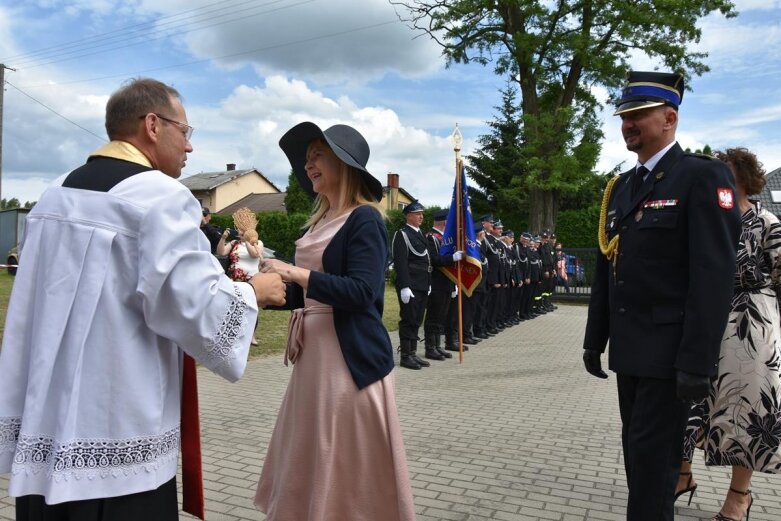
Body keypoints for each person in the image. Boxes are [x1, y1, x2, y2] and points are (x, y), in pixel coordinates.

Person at [0, 78, 286, 521]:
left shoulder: (55, 194)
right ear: (152, 125)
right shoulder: (160, 197)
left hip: (48, 428)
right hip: (116, 440)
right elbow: (194, 308)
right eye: (186, 132)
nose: (189, 148)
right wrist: (253, 292)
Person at [582, 70, 741, 521]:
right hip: (631, 354)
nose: (627, 125)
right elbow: (607, 267)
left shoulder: (701, 177)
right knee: (641, 464)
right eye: (624, 116)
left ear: (669, 118)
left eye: (638, 115)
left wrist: (697, 361)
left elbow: (713, 276)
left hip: (671, 359)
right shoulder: (621, 187)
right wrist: (596, 338)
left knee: (653, 470)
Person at [254, 122, 415, 521]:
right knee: (311, 450)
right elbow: (300, 295)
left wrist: (296, 273)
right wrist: (255, 283)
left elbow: (364, 294)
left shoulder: (366, 220)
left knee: (342, 458)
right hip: (314, 359)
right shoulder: (318, 222)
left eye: (317, 155)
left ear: (344, 163)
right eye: (306, 158)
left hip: (348, 363)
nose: (308, 165)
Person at [680, 147, 781, 521]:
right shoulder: (704, 220)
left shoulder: (767, 221)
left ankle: (739, 497)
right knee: (689, 399)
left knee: (750, 409)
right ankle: (681, 475)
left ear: (741, 178)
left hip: (752, 323)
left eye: (724, 173)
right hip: (705, 316)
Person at [393, 200, 433, 369]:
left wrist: (429, 283)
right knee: (408, 319)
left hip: (423, 283)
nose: (421, 217)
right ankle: (405, 355)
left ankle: (413, 353)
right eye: (418, 214)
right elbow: (401, 262)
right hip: (411, 284)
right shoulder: (402, 234)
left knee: (417, 320)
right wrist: (404, 286)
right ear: (409, 216)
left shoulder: (420, 234)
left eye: (422, 214)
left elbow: (427, 260)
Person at [423, 208, 462, 360]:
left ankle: (437, 346)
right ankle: (430, 347)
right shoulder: (431, 237)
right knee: (434, 315)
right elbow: (434, 260)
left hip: (447, 282)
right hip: (436, 281)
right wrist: (452, 258)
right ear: (445, 221)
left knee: (442, 315)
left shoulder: (445, 238)